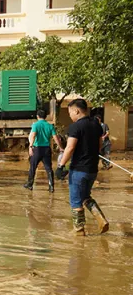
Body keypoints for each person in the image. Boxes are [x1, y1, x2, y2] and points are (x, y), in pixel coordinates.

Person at [56, 99, 109, 235]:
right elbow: (99, 145)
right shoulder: (96, 125)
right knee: (85, 196)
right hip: (92, 169)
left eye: (70, 112)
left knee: (75, 200)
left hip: (78, 169)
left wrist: (61, 166)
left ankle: (79, 230)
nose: (70, 116)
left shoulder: (75, 127)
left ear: (77, 111)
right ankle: (101, 219)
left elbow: (70, 148)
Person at [24, 109, 60, 192]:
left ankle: (29, 184)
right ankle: (51, 186)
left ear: (37, 116)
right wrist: (60, 147)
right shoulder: (50, 126)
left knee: (33, 167)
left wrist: (30, 147)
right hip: (46, 149)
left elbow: (32, 136)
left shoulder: (35, 125)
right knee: (48, 168)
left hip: (37, 149)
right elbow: (55, 138)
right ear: (45, 117)